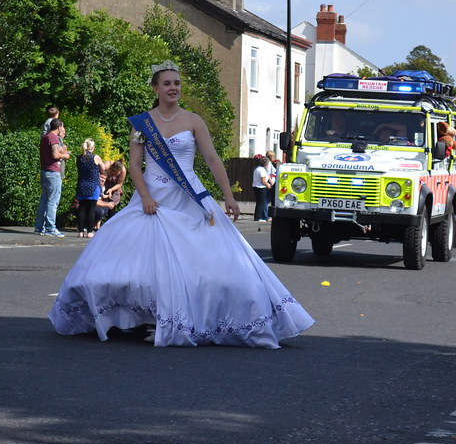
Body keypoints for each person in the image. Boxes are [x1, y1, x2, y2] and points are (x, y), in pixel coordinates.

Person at [49, 60, 314, 348]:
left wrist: (228, 195)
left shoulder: (193, 120)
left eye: (176, 83)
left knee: (211, 266)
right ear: (156, 88)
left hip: (189, 197)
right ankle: (140, 316)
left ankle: (194, 316)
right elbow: (135, 166)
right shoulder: (143, 122)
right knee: (132, 266)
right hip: (152, 199)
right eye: (167, 83)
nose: (173, 87)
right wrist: (147, 197)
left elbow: (212, 159)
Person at [34, 119, 70, 237]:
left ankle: (39, 227)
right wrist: (65, 155)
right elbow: (55, 154)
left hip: (44, 171)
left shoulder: (45, 137)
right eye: (62, 126)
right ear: (59, 127)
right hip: (53, 172)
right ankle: (50, 228)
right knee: (52, 202)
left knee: (44, 200)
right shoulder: (53, 137)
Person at [75, 138, 104, 238]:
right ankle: (90, 231)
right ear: (93, 147)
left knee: (82, 208)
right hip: (93, 184)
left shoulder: (79, 157)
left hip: (82, 184)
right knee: (91, 209)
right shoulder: (96, 157)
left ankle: (81, 231)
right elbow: (103, 168)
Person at [94, 161, 126, 230]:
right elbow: (101, 177)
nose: (113, 174)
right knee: (102, 202)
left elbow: (120, 183)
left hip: (115, 186)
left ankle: (109, 225)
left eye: (116, 174)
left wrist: (111, 190)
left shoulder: (123, 170)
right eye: (112, 172)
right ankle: (97, 224)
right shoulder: (106, 166)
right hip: (105, 184)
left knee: (113, 202)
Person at [252, 154, 272, 221]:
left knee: (259, 202)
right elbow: (263, 181)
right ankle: (258, 217)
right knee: (261, 203)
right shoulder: (262, 170)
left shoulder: (257, 169)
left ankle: (258, 217)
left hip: (256, 187)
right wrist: (268, 185)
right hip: (261, 187)